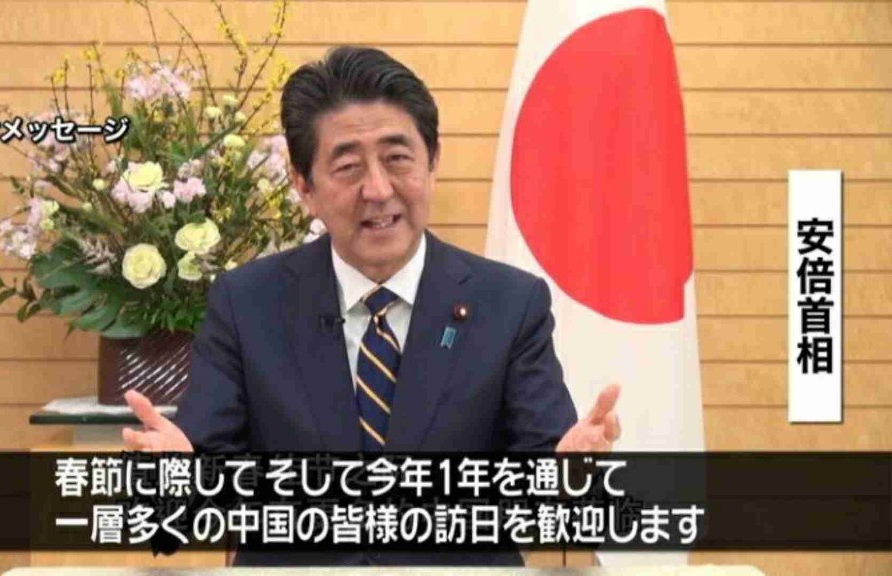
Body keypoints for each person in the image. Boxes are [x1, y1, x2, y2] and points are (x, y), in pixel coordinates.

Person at [122, 45, 622, 565]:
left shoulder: (510, 304)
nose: (378, 190)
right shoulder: (247, 304)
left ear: (432, 162)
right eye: (347, 167)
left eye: (397, 158)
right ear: (304, 186)